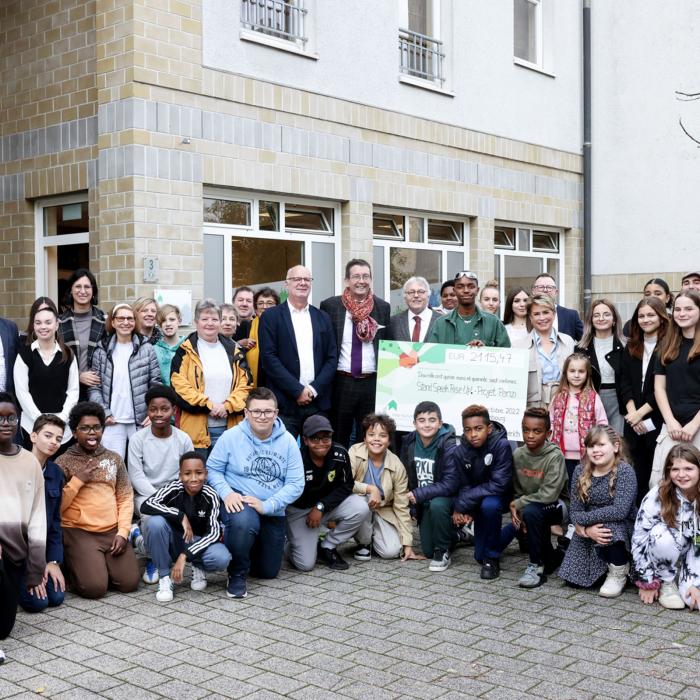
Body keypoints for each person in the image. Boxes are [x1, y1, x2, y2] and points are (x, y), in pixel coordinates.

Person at [207, 388, 304, 599]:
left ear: (276, 413)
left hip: (270, 507)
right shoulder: (230, 437)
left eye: (268, 411)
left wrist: (268, 505)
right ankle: (237, 573)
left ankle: (245, 545)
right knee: (243, 522)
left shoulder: (287, 441)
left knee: (267, 572)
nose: (262, 416)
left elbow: (297, 483)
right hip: (240, 501)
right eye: (257, 411)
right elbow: (212, 469)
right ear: (246, 413)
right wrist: (227, 494)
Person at [56, 402, 140, 599]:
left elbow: (126, 496)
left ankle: (97, 566)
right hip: (79, 532)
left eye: (96, 427)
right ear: (75, 433)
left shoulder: (114, 459)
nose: (91, 433)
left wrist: (123, 532)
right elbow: (56, 506)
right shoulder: (63, 462)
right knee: (94, 589)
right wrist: (77, 481)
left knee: (129, 583)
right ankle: (77, 568)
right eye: (84, 428)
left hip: (111, 531)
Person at [140, 452, 231, 602]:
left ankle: (197, 565)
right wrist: (180, 515)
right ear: (180, 475)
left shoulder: (211, 495)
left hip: (197, 542)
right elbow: (146, 505)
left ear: (206, 474)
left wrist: (185, 555)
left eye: (199, 473)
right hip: (175, 539)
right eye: (187, 473)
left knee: (221, 557)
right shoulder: (174, 488)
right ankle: (164, 578)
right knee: (155, 522)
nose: (194, 478)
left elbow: (214, 533)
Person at [258, 266, 337, 438]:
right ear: (287, 284)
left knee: (317, 458)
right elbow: (269, 359)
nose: (302, 283)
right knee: (282, 456)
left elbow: (332, 358)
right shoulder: (270, 317)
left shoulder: (323, 317)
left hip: (317, 403)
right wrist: (297, 390)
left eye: (307, 279)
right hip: (285, 403)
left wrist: (313, 389)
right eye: (297, 279)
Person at [559, 426, 637, 597]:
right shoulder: (580, 471)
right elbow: (575, 510)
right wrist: (586, 530)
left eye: (601, 445)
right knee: (574, 580)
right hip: (589, 529)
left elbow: (619, 511)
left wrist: (584, 521)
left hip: (620, 525)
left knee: (609, 526)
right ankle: (603, 569)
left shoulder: (625, 471)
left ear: (615, 447)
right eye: (591, 446)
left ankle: (619, 570)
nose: (596, 450)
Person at [320, 259, 391, 448]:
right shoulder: (330, 306)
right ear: (347, 281)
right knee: (338, 435)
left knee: (368, 436)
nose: (361, 281)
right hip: (342, 381)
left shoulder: (382, 307)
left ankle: (363, 476)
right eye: (356, 276)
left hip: (371, 383)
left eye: (366, 276)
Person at [127, 385, 194, 584]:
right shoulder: (138, 439)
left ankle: (140, 539)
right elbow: (136, 475)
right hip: (147, 496)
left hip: (176, 495)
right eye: (153, 409)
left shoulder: (183, 439)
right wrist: (160, 500)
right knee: (154, 519)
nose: (158, 414)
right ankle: (153, 559)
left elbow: (189, 474)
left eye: (164, 409)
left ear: (174, 410)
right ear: (147, 411)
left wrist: (173, 498)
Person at [286, 415, 369, 571]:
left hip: (326, 506)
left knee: (361, 506)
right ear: (305, 440)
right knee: (305, 565)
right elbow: (291, 493)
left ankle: (328, 545)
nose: (321, 444)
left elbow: (347, 486)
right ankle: (291, 545)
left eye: (326, 438)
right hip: (300, 510)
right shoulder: (296, 458)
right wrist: (314, 508)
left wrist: (321, 506)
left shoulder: (340, 454)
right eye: (315, 439)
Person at [171, 299, 252, 458]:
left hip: (231, 429)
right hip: (195, 433)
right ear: (196, 322)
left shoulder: (235, 350)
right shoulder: (184, 351)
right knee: (197, 480)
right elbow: (179, 387)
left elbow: (246, 385)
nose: (210, 323)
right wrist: (209, 405)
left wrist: (227, 406)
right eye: (204, 319)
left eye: (214, 319)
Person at [0, 393, 46, 664]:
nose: (5, 423)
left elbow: (38, 514)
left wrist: (36, 564)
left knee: (5, 624)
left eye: (11, 418)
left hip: (16, 553)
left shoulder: (29, 461)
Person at [504, 408, 568, 588]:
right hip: (532, 507)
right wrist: (519, 511)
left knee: (533, 512)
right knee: (531, 513)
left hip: (558, 507)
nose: (530, 435)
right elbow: (517, 490)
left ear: (548, 433)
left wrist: (519, 504)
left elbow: (549, 494)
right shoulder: (518, 454)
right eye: (526, 430)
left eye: (536, 431)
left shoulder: (555, 456)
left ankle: (535, 567)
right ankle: (554, 556)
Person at [448, 405, 513, 580]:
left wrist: (463, 503)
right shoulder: (460, 451)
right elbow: (464, 484)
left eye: (478, 429)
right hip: (478, 498)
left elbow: (498, 485)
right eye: (468, 430)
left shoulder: (502, 445)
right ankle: (516, 527)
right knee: (478, 556)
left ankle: (492, 559)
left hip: (502, 497)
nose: (473, 435)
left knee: (489, 505)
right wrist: (465, 509)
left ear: (489, 428)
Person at [88, 303, 161, 459]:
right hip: (113, 420)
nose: (125, 322)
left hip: (140, 420)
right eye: (121, 318)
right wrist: (104, 413)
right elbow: (95, 387)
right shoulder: (102, 350)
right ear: (113, 322)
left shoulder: (146, 348)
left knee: (144, 465)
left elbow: (155, 383)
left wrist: (153, 411)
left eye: (130, 318)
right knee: (110, 468)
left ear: (135, 322)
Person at [632, 444, 700, 610]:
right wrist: (647, 581)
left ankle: (688, 583)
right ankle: (666, 582)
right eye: (675, 469)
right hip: (666, 546)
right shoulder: (658, 494)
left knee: (693, 601)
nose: (682, 475)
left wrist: (695, 584)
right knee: (662, 537)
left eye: (688, 469)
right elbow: (639, 538)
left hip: (695, 548)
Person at [348, 413, 420, 561]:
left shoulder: (397, 465)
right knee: (363, 501)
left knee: (391, 552)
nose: (376, 439)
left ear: (388, 441)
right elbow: (346, 483)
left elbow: (401, 506)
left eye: (382, 435)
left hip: (383, 509)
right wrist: (370, 489)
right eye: (371, 434)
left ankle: (374, 536)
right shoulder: (354, 452)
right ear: (365, 438)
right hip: (359, 504)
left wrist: (407, 544)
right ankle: (364, 543)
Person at [619, 297, 669, 503]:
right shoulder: (631, 346)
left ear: (661, 317)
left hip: (657, 418)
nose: (646, 319)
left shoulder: (669, 346)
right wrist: (633, 414)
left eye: (651, 315)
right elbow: (623, 382)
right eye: (641, 315)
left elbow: (664, 388)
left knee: (656, 473)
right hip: (633, 421)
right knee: (636, 473)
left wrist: (641, 413)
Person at [14, 298, 79, 447]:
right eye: (38, 323)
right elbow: (22, 392)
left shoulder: (68, 354)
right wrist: (40, 419)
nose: (43, 327)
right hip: (32, 426)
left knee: (58, 469)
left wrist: (61, 418)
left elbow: (73, 391)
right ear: (33, 325)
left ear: (56, 324)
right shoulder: (24, 354)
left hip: (62, 428)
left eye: (48, 322)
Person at [403, 401, 459, 572]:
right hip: (423, 500)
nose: (427, 424)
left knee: (437, 504)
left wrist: (418, 494)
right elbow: (408, 478)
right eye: (422, 420)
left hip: (445, 499)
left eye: (432, 420)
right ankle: (457, 535)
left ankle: (443, 551)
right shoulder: (409, 442)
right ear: (414, 424)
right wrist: (413, 507)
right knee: (427, 550)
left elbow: (451, 483)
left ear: (440, 423)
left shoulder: (448, 444)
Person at [651, 289, 700, 486]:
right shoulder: (666, 344)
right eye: (678, 309)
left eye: (689, 308)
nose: (682, 313)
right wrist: (670, 421)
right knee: (659, 483)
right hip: (671, 428)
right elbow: (659, 388)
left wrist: (694, 425)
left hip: (697, 426)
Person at [19, 415, 67, 613]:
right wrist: (32, 566)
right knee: (36, 603)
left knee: (55, 597)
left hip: (43, 551)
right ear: (33, 436)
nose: (53, 442)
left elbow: (55, 522)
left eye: (58, 438)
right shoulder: (15, 469)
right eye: (48, 435)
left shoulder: (56, 473)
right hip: (18, 554)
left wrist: (53, 561)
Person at [549, 353, 608, 481]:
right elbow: (551, 421)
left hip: (586, 455)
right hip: (561, 454)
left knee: (583, 485)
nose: (576, 375)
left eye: (581, 371)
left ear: (587, 374)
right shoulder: (558, 397)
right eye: (572, 371)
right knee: (566, 485)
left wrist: (598, 445)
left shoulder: (593, 398)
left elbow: (602, 423)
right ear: (566, 373)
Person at [576, 299, 625, 434]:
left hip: (619, 401)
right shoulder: (581, 348)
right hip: (591, 398)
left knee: (617, 441)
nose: (601, 318)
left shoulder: (627, 346)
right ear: (590, 320)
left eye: (606, 314)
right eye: (596, 315)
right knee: (593, 440)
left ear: (614, 319)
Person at [427, 271, 510, 348]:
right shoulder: (440, 324)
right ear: (455, 291)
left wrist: (485, 351)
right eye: (460, 287)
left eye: (471, 286)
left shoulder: (493, 322)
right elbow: (432, 355)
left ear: (477, 290)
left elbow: (507, 355)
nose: (466, 290)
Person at [58, 268, 106, 400]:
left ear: (93, 290)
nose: (83, 291)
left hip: (99, 389)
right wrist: (78, 375)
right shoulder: (59, 323)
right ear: (71, 290)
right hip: (67, 390)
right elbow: (54, 359)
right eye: (78, 286)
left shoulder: (104, 321)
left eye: (87, 287)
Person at [525, 295, 575, 409]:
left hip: (566, 405)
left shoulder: (568, 341)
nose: (542, 318)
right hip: (534, 409)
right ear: (530, 317)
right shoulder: (519, 346)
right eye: (536, 314)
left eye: (546, 312)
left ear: (554, 314)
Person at [234, 287, 280, 387]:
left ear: (277, 306)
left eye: (270, 303)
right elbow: (233, 353)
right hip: (252, 384)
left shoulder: (284, 327)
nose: (265, 306)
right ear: (255, 308)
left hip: (278, 383)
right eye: (260, 303)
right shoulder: (246, 326)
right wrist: (240, 344)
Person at [388, 276, 441, 342]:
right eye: (411, 292)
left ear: (428, 295)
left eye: (421, 292)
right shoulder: (393, 322)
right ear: (405, 297)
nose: (416, 295)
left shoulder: (442, 321)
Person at [531, 273, 583, 341]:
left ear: (556, 292)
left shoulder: (571, 316)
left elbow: (585, 341)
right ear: (533, 291)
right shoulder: (526, 313)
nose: (545, 290)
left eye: (549, 287)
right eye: (541, 287)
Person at [153, 304, 183, 386]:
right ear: (159, 324)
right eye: (163, 320)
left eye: (172, 319)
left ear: (179, 321)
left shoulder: (188, 346)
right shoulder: (154, 350)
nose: (168, 324)